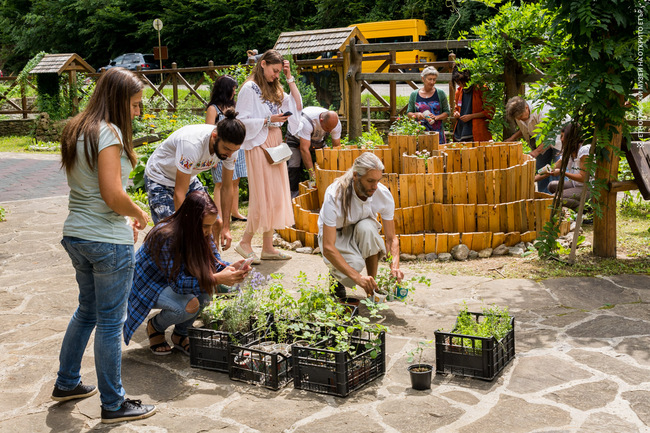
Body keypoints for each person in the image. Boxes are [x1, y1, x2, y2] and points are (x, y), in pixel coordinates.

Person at [54, 67, 156, 423]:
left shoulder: (76, 129)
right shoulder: (108, 132)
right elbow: (113, 195)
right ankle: (114, 404)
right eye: (134, 104)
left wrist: (124, 214)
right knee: (112, 322)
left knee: (87, 311)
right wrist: (139, 213)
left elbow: (91, 191)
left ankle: (67, 382)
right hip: (106, 241)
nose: (137, 112)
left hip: (77, 235)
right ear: (118, 99)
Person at [124, 190, 251, 355]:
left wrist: (231, 267)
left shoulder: (202, 232)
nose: (209, 230)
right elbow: (179, 284)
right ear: (190, 220)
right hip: (148, 285)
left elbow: (214, 263)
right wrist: (217, 278)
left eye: (211, 225)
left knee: (205, 293)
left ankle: (180, 334)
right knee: (187, 305)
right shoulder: (166, 236)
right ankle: (155, 326)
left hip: (171, 280)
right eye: (205, 225)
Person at [234, 49, 302, 263]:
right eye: (274, 71)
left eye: (279, 72)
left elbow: (297, 105)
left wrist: (290, 79)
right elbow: (241, 120)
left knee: (274, 195)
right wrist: (267, 119)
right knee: (262, 196)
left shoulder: (274, 86)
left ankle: (268, 247)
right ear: (262, 64)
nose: (276, 75)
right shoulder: (249, 89)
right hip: (258, 143)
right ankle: (244, 242)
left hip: (274, 141)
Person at [144, 110, 246, 249]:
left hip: (189, 179)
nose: (230, 155)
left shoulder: (231, 149)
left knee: (216, 223)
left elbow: (227, 187)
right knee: (173, 235)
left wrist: (226, 228)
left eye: (234, 151)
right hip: (161, 178)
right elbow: (179, 193)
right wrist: (185, 231)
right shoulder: (191, 144)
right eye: (227, 149)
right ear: (214, 137)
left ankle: (212, 263)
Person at [319, 152, 404, 300]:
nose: (375, 186)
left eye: (378, 180)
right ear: (356, 176)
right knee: (355, 265)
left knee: (368, 228)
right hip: (335, 235)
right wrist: (358, 278)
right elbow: (328, 247)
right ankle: (335, 278)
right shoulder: (335, 195)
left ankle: (372, 287)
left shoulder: (382, 194)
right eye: (370, 181)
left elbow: (391, 238)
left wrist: (394, 267)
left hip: (359, 229)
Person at [206, 75, 249, 224]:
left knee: (235, 181)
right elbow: (208, 130)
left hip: (237, 148)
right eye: (233, 89)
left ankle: (234, 212)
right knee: (220, 183)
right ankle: (218, 214)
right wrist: (213, 156)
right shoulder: (213, 108)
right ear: (225, 89)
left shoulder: (234, 106)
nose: (234, 92)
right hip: (220, 150)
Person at [504, 96, 562, 194]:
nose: (520, 119)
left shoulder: (543, 112)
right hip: (542, 142)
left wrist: (536, 152)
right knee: (541, 168)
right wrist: (512, 138)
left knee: (555, 170)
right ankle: (544, 197)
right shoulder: (520, 114)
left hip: (558, 139)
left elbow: (550, 136)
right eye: (518, 119)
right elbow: (526, 128)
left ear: (527, 107)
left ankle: (558, 199)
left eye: (521, 117)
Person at [286, 107, 342, 198]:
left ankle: (329, 192)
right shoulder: (306, 121)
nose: (330, 131)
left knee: (328, 160)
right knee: (294, 164)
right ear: (321, 120)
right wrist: (312, 174)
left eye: (332, 129)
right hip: (296, 139)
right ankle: (292, 196)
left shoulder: (335, 123)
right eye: (327, 128)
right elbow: (304, 149)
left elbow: (336, 147)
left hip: (317, 141)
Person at [536, 123, 592, 212]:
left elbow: (583, 178)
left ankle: (586, 210)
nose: (561, 139)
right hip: (576, 185)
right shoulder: (569, 152)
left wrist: (562, 172)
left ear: (571, 137)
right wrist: (533, 177)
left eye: (563, 136)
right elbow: (551, 168)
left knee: (555, 198)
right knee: (552, 185)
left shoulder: (584, 151)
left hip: (589, 188)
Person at [407, 66, 450, 144]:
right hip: (420, 133)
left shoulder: (440, 93)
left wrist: (437, 117)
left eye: (434, 79)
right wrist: (417, 114)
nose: (432, 82)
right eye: (430, 79)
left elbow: (447, 112)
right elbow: (409, 113)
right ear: (423, 79)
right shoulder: (414, 94)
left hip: (437, 134)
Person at [452, 67, 493, 142]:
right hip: (461, 131)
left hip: (477, 132)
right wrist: (456, 113)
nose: (461, 85)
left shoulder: (481, 89)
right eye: (458, 83)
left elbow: (489, 111)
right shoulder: (459, 91)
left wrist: (471, 116)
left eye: (463, 82)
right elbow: (456, 108)